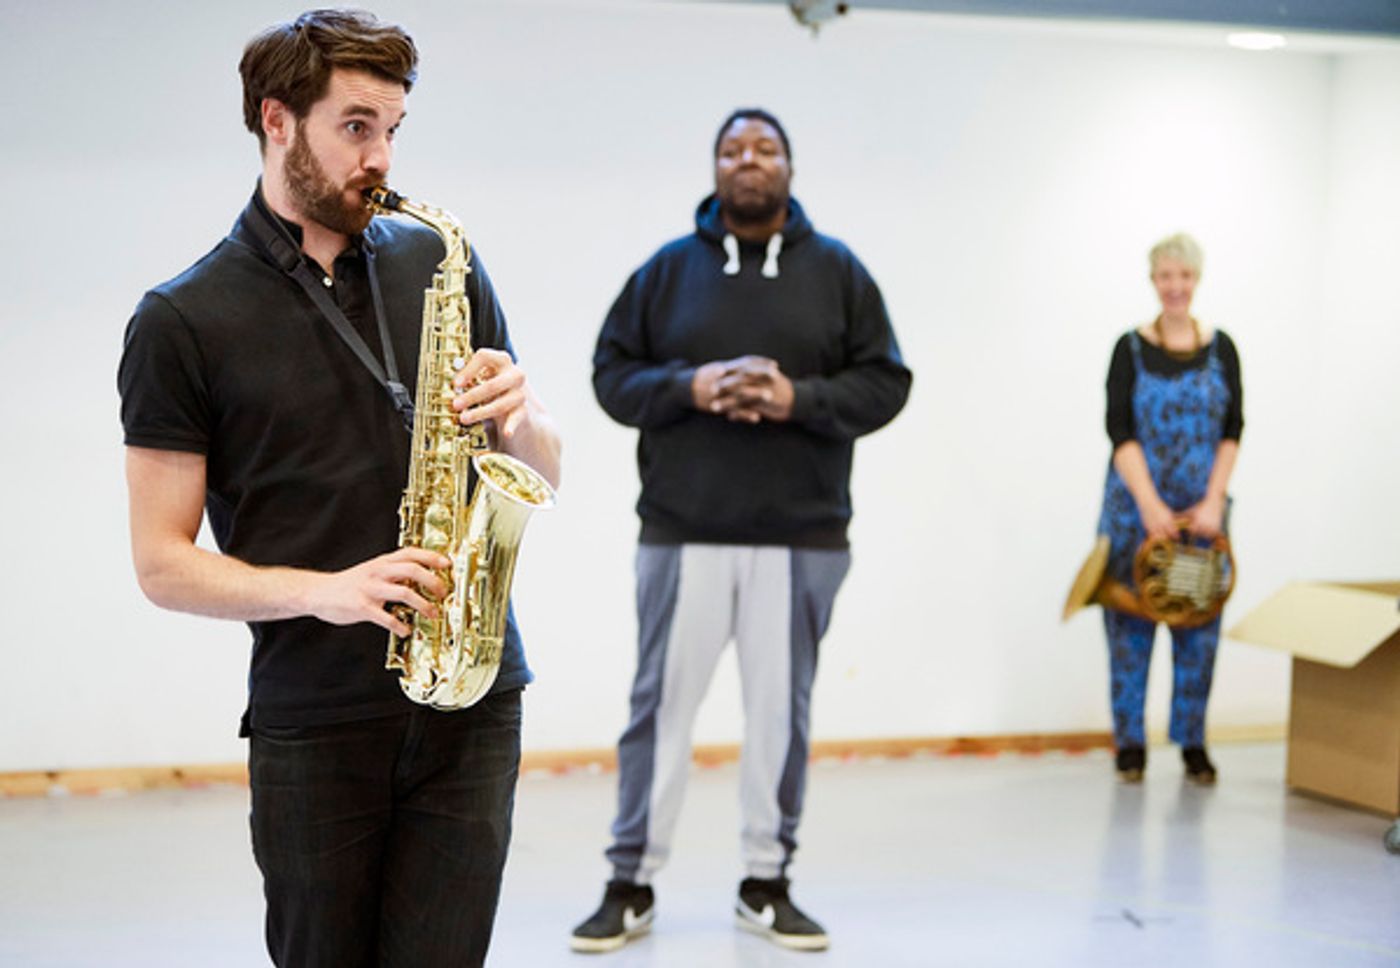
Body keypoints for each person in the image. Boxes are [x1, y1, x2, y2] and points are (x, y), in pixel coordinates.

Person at [116, 10, 561, 967]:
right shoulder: (182, 319)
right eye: (356, 127)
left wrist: (520, 417)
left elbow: (545, 472)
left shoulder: (439, 260)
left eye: (393, 129)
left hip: (471, 695)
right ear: (277, 121)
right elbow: (160, 564)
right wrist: (327, 592)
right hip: (316, 718)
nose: (381, 158)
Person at [571, 108, 911, 953]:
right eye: (732, 150)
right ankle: (630, 883)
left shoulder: (839, 274)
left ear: (789, 167)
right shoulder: (666, 272)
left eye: (764, 148)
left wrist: (801, 399)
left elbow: (886, 383)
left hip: (802, 539)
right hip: (684, 533)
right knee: (659, 714)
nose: (748, 160)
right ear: (715, 168)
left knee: (779, 719)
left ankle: (766, 882)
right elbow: (610, 377)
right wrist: (691, 387)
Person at [1096, 232, 1242, 786]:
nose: (1174, 286)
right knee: (1130, 630)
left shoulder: (1222, 346)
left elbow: (1234, 427)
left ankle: (1193, 744)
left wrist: (1213, 501)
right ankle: (1130, 745)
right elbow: (1119, 428)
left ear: (1196, 280)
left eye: (1184, 276)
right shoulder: (1128, 349)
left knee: (1198, 630)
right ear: (1153, 280)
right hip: (1137, 513)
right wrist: (1151, 504)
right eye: (1165, 276)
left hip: (1203, 520)